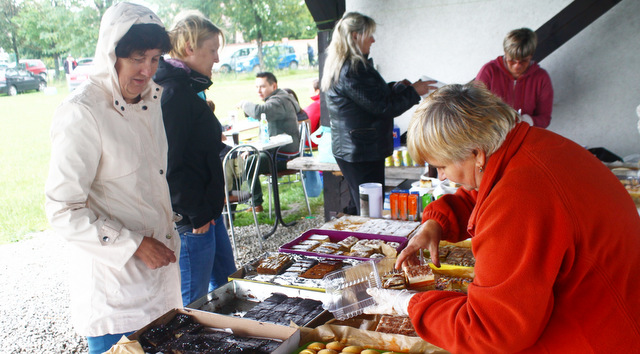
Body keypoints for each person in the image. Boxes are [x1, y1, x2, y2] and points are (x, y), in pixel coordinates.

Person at [366, 83, 640, 352]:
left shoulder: (520, 198)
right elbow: (482, 191)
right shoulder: (533, 146)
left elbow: (490, 332)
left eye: (441, 166)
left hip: (594, 337)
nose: (442, 177)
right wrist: (437, 221)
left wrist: (409, 304)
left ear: (477, 155)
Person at [44, 3, 180, 353]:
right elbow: (62, 209)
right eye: (137, 57)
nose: (147, 69)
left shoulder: (150, 102)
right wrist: (132, 243)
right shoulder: (82, 112)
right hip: (114, 296)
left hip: (161, 288)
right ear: (111, 53)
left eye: (154, 58)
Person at [153, 10, 236, 306]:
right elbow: (168, 165)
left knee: (230, 286)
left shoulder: (187, 86)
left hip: (208, 214)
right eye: (212, 50)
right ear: (190, 48)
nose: (216, 59)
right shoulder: (174, 92)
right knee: (192, 304)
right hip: (192, 220)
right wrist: (197, 213)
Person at [320, 12, 434, 215]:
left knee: (361, 204)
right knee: (370, 208)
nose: (373, 39)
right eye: (369, 34)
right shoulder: (353, 68)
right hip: (360, 149)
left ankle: (355, 239)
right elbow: (383, 107)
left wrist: (397, 88)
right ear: (355, 36)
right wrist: (414, 92)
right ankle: (366, 242)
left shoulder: (348, 64)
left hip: (357, 147)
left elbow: (369, 97)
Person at [238, 71, 301, 212]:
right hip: (277, 152)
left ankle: (255, 203)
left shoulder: (278, 102)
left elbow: (259, 111)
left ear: (274, 86)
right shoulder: (281, 99)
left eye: (262, 86)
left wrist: (243, 104)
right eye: (256, 87)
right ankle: (250, 202)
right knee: (246, 159)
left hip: (284, 156)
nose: (258, 91)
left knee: (249, 162)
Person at [475, 27, 554, 128]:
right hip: (492, 133)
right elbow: (475, 108)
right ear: (505, 53)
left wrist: (529, 120)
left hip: (524, 133)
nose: (517, 66)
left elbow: (545, 119)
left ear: (531, 56)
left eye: (524, 61)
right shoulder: (489, 71)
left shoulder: (541, 78)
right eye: (512, 60)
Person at [303, 78, 321, 148]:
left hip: (312, 141)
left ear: (317, 91)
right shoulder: (328, 102)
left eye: (311, 89)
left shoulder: (315, 106)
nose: (309, 92)